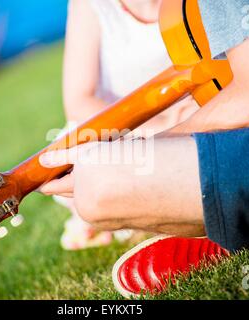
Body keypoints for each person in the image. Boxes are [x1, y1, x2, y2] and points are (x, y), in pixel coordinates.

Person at [40, 0, 249, 297]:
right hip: (235, 114)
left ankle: (226, 220)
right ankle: (221, 210)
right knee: (94, 174)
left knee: (100, 185)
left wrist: (143, 151)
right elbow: (79, 100)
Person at [57, 0, 199, 250]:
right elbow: (79, 100)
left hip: (196, 113)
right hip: (123, 129)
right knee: (71, 154)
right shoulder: (88, 5)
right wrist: (158, 127)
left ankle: (134, 209)